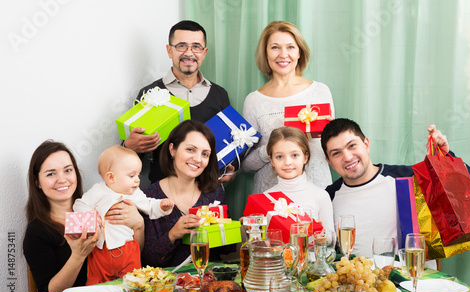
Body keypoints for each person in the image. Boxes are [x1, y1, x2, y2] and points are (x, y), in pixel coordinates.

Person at [320, 118, 470, 258]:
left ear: (366, 144)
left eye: (352, 146)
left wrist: (446, 160)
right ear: (329, 161)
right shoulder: (327, 196)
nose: (347, 157)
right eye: (336, 153)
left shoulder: (407, 177)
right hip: (359, 288)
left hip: (412, 281)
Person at [23, 141, 143, 292]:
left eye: (68, 170)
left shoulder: (101, 205)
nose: (62, 179)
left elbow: (132, 256)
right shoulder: (37, 232)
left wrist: (139, 226)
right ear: (37, 182)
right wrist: (78, 255)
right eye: (51, 174)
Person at [123, 20, 234, 185]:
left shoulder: (220, 94)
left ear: (204, 52)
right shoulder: (149, 94)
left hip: (207, 192)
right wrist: (128, 147)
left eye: (196, 46)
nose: (189, 53)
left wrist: (231, 169)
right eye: (181, 46)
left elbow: (230, 145)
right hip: (162, 196)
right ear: (169, 50)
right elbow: (131, 156)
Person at [241, 21, 335, 194]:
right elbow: (245, 164)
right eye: (275, 47)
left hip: (316, 193)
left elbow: (331, 152)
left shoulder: (320, 91)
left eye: (290, 47)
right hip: (270, 199)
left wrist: (334, 135)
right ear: (266, 53)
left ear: (299, 52)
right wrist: (272, 146)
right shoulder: (254, 101)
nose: (283, 54)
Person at [73, 145, 174, 285]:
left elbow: (149, 204)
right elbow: (79, 205)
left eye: (138, 175)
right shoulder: (98, 191)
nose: (137, 180)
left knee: (133, 283)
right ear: (111, 177)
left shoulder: (134, 193)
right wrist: (91, 214)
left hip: (128, 250)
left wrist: (161, 205)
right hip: (100, 250)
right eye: (132, 176)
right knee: (96, 283)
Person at [141, 120, 235, 267]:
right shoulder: (147, 197)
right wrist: (173, 234)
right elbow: (147, 261)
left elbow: (225, 251)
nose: (198, 159)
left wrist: (239, 230)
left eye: (205, 154)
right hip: (166, 285)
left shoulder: (214, 193)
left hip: (209, 282)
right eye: (190, 150)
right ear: (172, 150)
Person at [265, 126, 335, 246]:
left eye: (295, 155)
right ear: (271, 160)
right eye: (279, 157)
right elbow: (264, 243)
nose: (287, 162)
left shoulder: (320, 195)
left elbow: (331, 238)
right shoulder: (266, 198)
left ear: (305, 157)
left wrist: (321, 234)